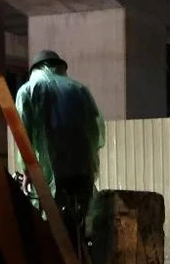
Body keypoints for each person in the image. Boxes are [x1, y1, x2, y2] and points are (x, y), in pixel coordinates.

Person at [15, 49, 105, 253]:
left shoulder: (29, 90)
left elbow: (23, 134)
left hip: (53, 173)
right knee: (80, 223)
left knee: (53, 226)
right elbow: (96, 131)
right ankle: (82, 261)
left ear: (35, 70)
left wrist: (28, 170)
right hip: (83, 170)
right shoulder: (80, 90)